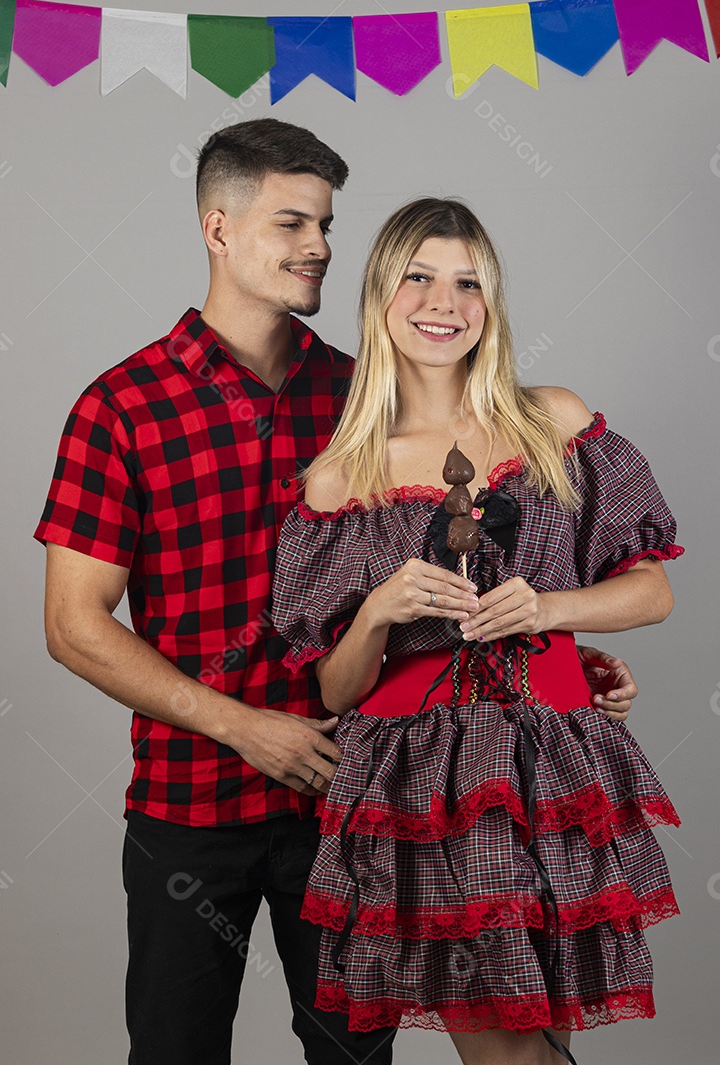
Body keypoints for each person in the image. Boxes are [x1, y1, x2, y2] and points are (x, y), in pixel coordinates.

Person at [35, 120, 635, 1065]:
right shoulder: (123, 406)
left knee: (357, 1060)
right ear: (218, 229)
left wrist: (560, 652)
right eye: (291, 223)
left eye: (326, 223)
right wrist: (244, 725)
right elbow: (72, 628)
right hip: (194, 806)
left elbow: (466, 584)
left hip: (354, 804)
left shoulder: (367, 401)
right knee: (174, 1051)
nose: (319, 245)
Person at [271, 197, 683, 1065]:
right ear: (381, 294)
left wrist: (551, 609)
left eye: (467, 283)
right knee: (509, 1053)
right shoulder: (341, 477)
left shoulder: (553, 425)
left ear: (490, 303)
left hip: (554, 764)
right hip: (424, 789)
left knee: (546, 1038)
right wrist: (380, 609)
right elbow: (337, 692)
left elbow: (651, 593)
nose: (443, 302)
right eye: (417, 277)